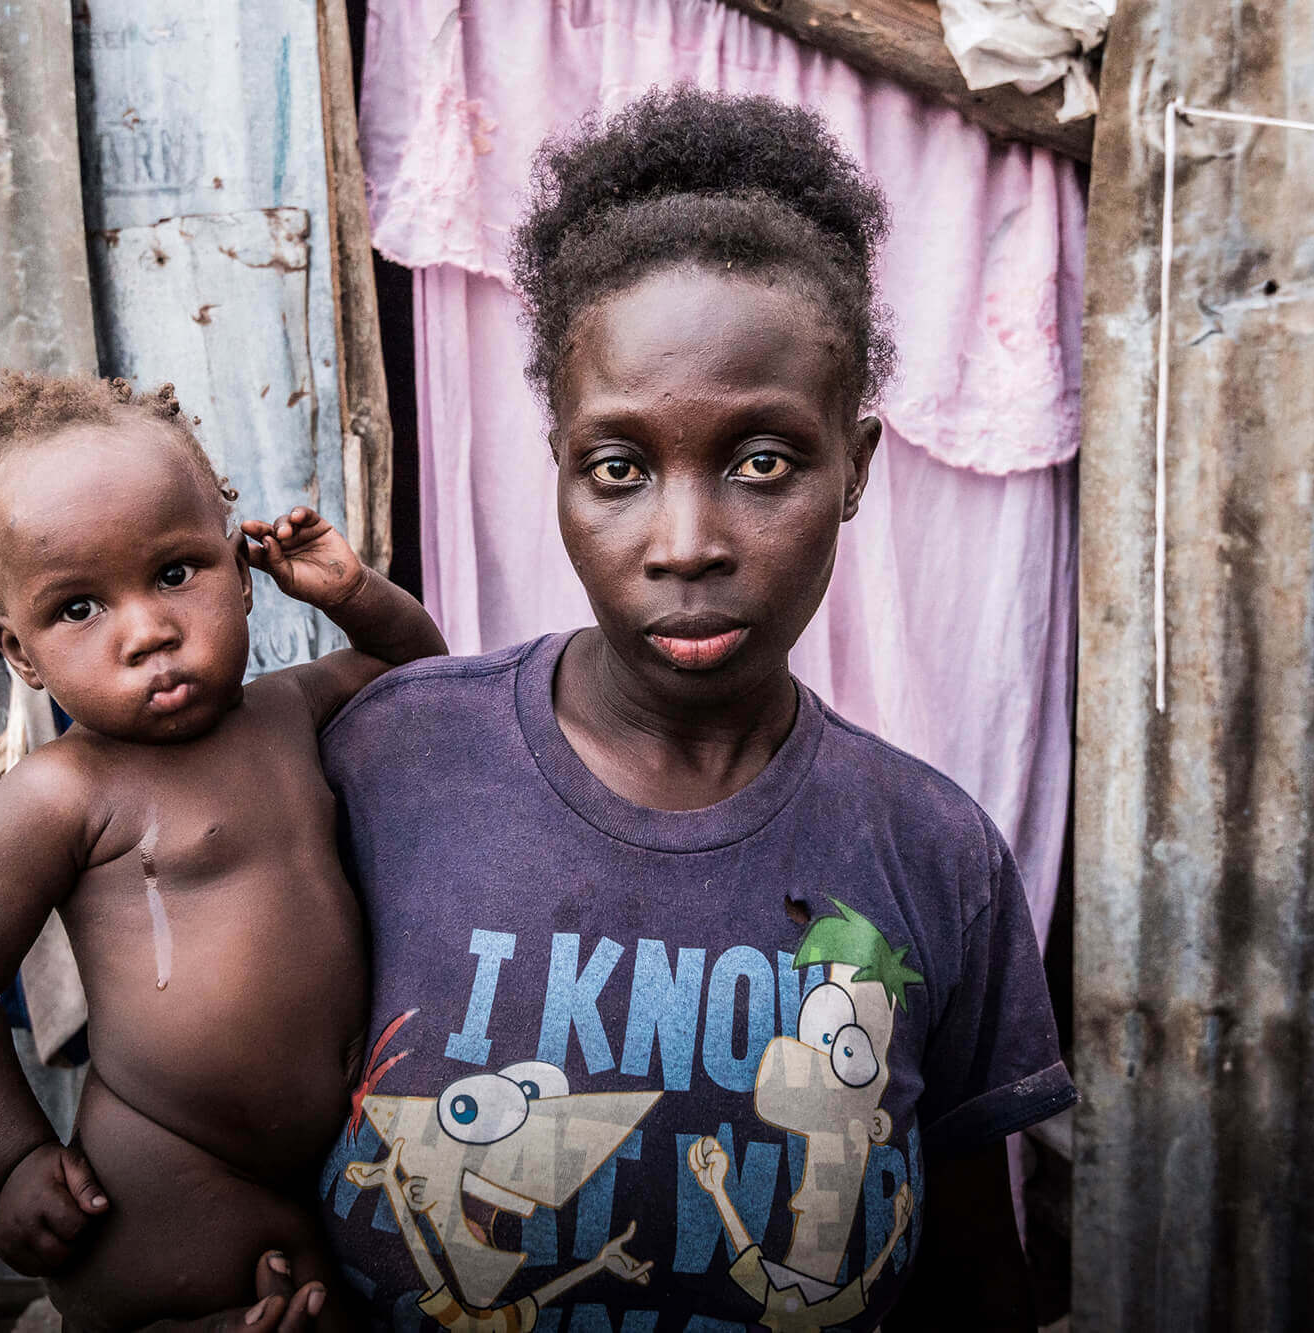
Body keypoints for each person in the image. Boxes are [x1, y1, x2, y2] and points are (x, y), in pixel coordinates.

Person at [313, 86, 1077, 1331]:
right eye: (617, 468)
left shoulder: (931, 854)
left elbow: (970, 1273)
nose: (685, 542)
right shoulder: (389, 765)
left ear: (855, 469)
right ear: (555, 464)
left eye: (761, 461)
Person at [0, 371, 446, 1332]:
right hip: (165, 1157)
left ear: (241, 571)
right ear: (19, 651)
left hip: (343, 1149)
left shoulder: (292, 708)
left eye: (174, 573)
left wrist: (353, 591)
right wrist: (19, 1157)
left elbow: (425, 683)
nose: (148, 630)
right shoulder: (59, 795)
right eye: (78, 608)